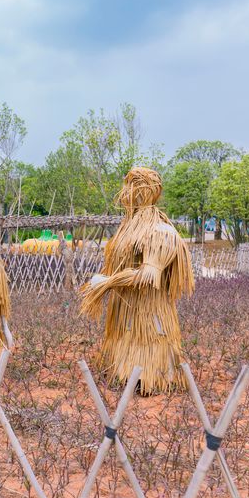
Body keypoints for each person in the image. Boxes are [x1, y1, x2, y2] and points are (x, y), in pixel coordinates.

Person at [80, 167, 194, 394]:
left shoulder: (160, 232)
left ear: (147, 190)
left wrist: (108, 283)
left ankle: (153, 377)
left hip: (149, 312)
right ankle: (122, 371)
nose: (125, 192)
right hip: (126, 313)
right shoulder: (126, 230)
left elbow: (148, 276)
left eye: (132, 185)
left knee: (149, 340)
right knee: (127, 338)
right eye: (126, 184)